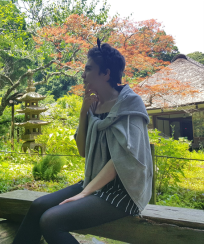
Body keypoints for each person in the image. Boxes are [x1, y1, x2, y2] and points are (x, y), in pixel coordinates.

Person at [12, 40, 153, 244]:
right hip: (94, 182)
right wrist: (83, 113)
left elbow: (122, 161)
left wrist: (85, 193)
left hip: (123, 191)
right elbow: (83, 151)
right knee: (38, 207)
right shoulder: (93, 105)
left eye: (88, 69)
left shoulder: (130, 104)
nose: (83, 74)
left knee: (51, 220)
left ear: (105, 73)